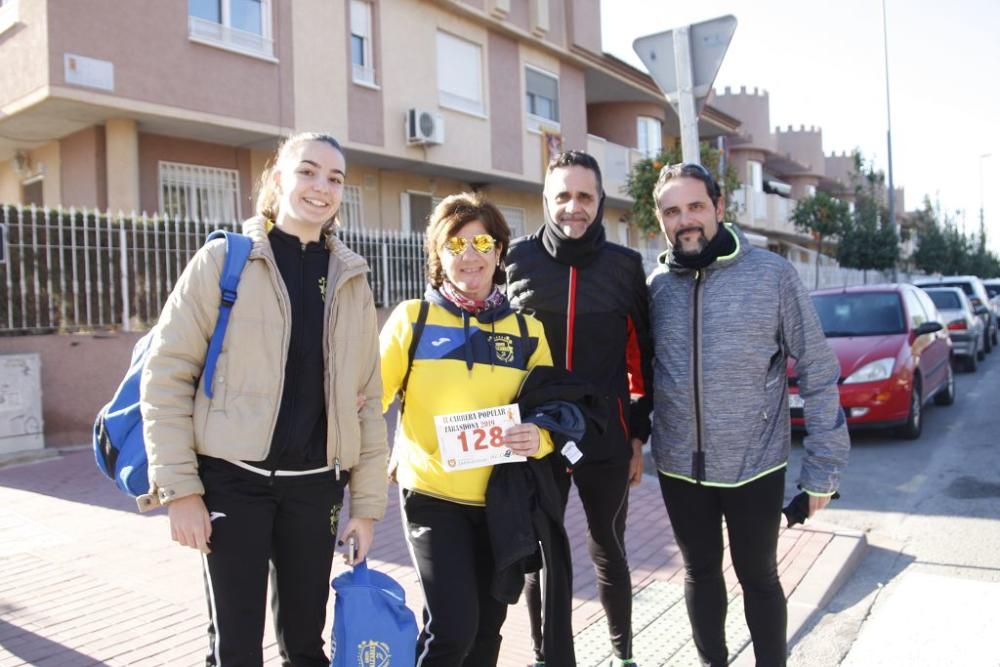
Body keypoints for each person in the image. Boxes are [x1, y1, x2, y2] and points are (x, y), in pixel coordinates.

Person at [139, 132, 388, 666]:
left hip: (315, 489)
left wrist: (365, 509)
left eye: (335, 178)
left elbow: (367, 402)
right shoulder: (224, 261)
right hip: (232, 482)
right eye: (308, 171)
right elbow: (166, 375)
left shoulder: (352, 279)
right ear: (278, 180)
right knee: (236, 650)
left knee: (305, 647)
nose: (321, 187)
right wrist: (180, 490)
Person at [647, 162, 850, 667]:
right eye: (672, 211)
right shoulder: (656, 287)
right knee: (699, 574)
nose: (685, 220)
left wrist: (822, 470)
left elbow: (819, 368)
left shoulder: (771, 275)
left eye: (695, 206)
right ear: (661, 220)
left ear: (718, 208)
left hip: (753, 464)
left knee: (758, 575)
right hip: (678, 466)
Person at [380, 193, 557, 666]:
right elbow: (365, 401)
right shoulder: (412, 321)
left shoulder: (528, 331)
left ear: (499, 252)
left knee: (486, 636)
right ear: (437, 255)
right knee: (453, 630)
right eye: (455, 244)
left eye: (481, 241)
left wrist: (537, 438)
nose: (470, 255)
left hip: (502, 503)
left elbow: (553, 414)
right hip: (433, 497)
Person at [506, 150, 653, 667]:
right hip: (537, 434)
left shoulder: (625, 267)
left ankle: (622, 654)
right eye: (563, 196)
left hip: (606, 437)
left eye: (585, 196)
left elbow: (642, 357)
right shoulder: (517, 260)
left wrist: (638, 433)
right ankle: (549, 656)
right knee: (541, 554)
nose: (574, 207)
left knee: (607, 547)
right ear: (545, 200)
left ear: (600, 201)